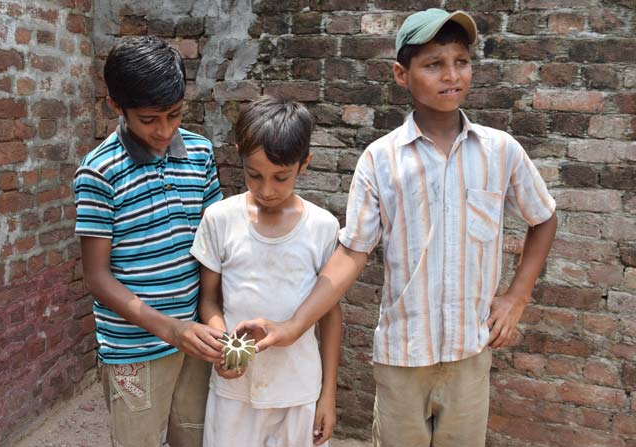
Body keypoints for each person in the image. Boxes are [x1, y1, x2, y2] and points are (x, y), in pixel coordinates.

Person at [237, 9, 558, 447]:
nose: (451, 75)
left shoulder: (499, 151)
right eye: (433, 64)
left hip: (470, 353)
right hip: (402, 358)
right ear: (401, 75)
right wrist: (294, 326)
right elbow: (352, 253)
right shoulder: (381, 160)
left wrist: (516, 296)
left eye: (461, 62)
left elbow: (544, 217)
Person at [73, 35, 224, 447]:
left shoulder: (200, 153)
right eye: (148, 119)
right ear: (115, 106)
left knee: (195, 435)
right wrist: (168, 329)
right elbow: (97, 276)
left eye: (174, 114)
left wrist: (210, 319)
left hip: (195, 338)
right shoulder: (100, 172)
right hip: (133, 349)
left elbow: (215, 243)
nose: (164, 129)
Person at [190, 95, 342, 447]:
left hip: (299, 388)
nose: (266, 190)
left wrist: (327, 395)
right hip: (235, 390)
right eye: (254, 175)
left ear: (304, 164)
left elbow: (330, 315)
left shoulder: (322, 227)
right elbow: (209, 300)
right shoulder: (220, 218)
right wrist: (224, 344)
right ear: (240, 158)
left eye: (281, 177)